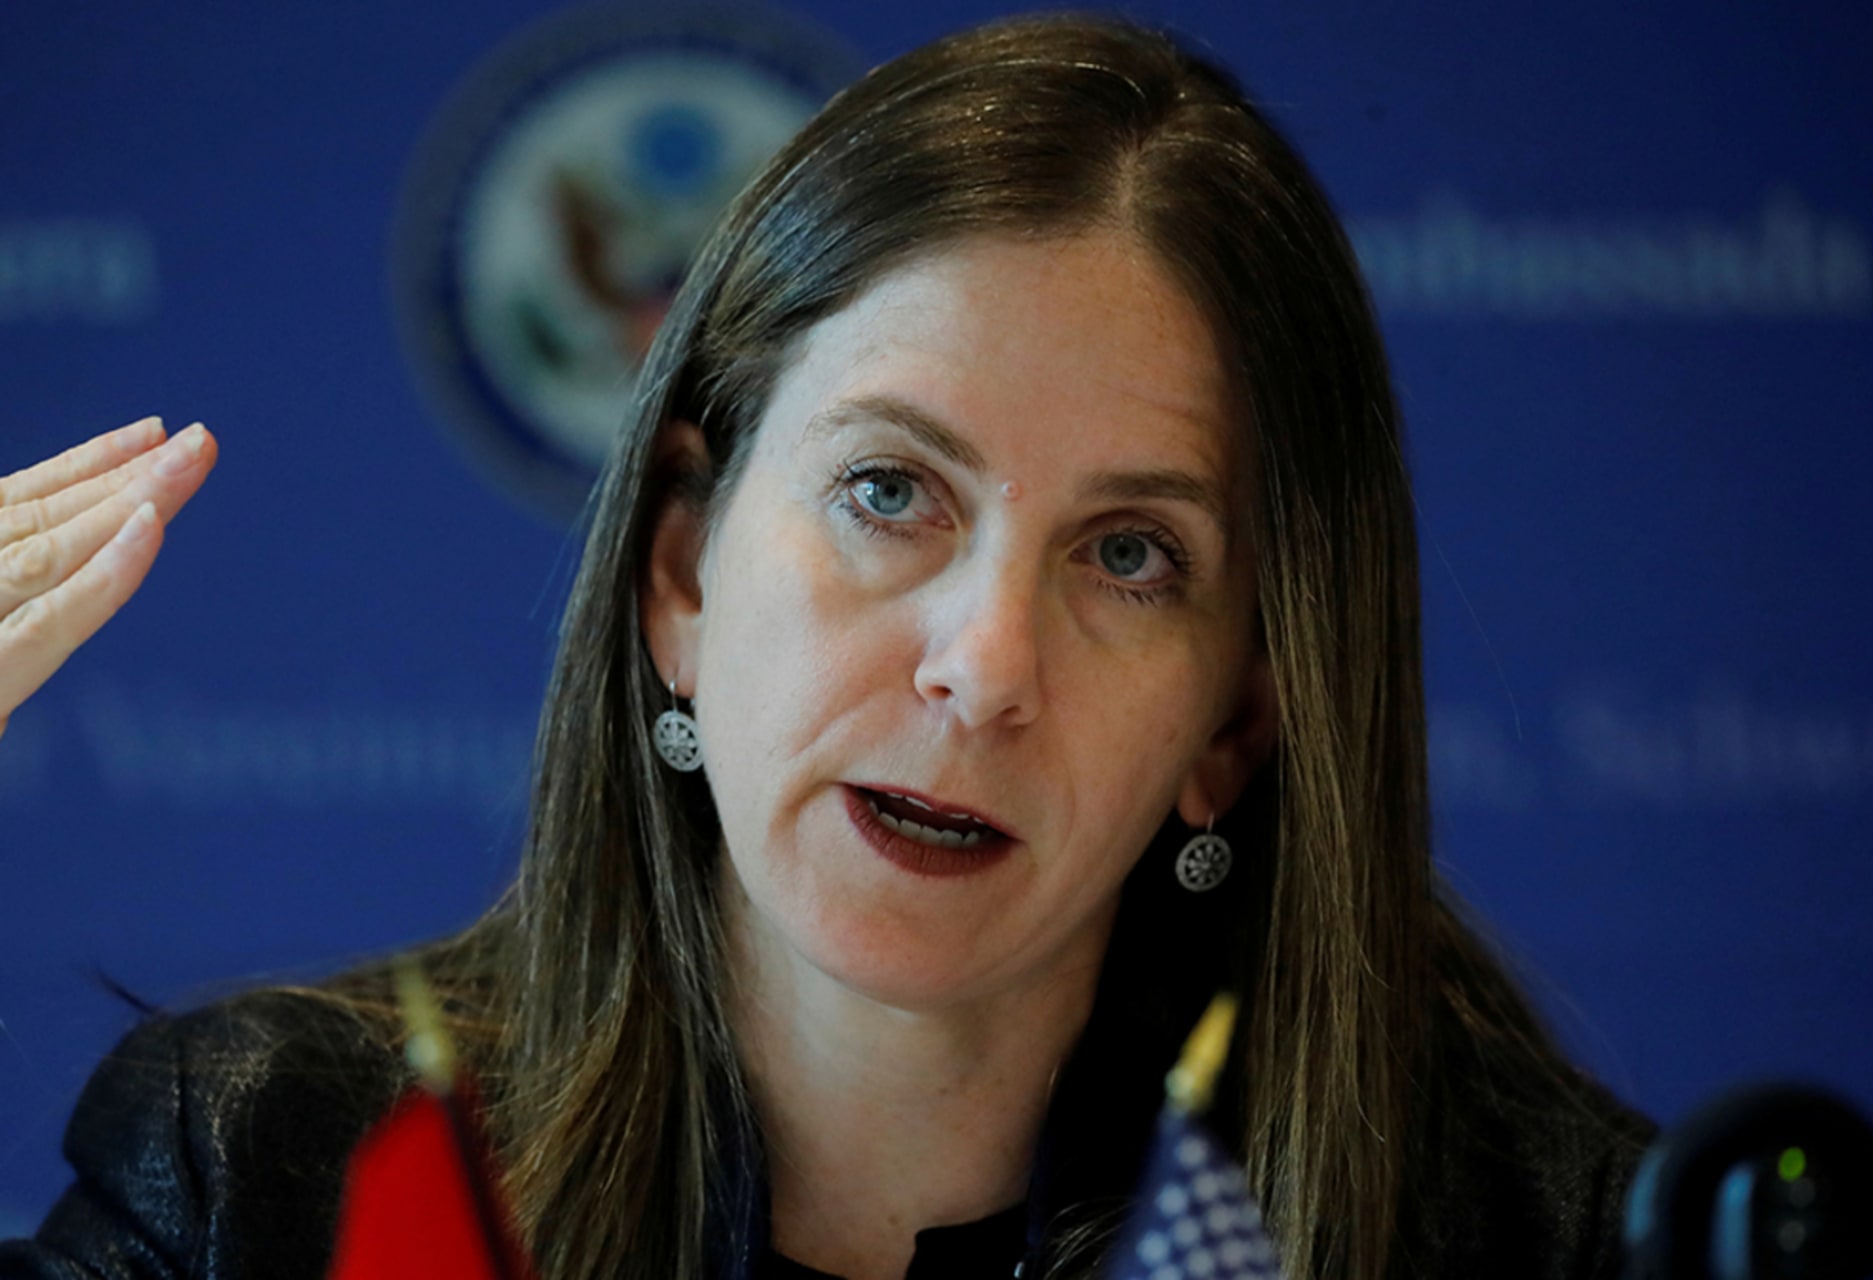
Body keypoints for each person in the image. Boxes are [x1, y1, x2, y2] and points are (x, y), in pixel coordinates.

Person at [0, 14, 1651, 1280]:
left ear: (1235, 725)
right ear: (680, 579)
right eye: (889, 490)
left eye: (1132, 556)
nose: (985, 664)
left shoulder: (1550, 1236)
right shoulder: (278, 1180)